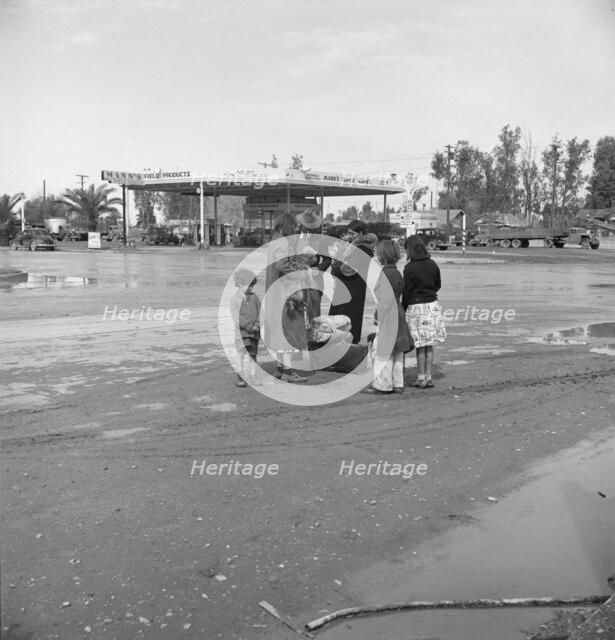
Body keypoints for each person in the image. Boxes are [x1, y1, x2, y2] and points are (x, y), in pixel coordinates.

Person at [264, 213, 310, 383]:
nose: (296, 231)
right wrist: (300, 273)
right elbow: (282, 264)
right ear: (287, 227)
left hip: (274, 293)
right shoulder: (282, 242)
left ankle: (280, 368)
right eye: (295, 228)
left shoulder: (274, 240)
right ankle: (288, 372)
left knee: (279, 333)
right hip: (285, 295)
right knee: (289, 332)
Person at [365, 239, 413, 394]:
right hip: (398, 312)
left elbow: (385, 299)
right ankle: (398, 383)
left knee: (383, 352)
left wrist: (378, 316)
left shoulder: (385, 273)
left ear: (382, 256)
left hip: (388, 313)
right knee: (398, 350)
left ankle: (383, 385)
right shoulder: (397, 272)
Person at [402, 235, 446, 388]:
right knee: (430, 345)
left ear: (410, 249)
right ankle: (428, 376)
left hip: (416, 307)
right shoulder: (433, 264)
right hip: (432, 306)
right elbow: (437, 284)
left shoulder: (409, 268)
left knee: (420, 345)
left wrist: (403, 307)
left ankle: (420, 377)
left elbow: (406, 292)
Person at [328, 220, 376, 344]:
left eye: (352, 233)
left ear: (360, 233)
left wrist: (336, 266)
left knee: (348, 324)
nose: (349, 235)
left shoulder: (362, 249)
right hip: (346, 289)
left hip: (351, 290)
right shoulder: (353, 246)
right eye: (348, 233)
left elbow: (347, 269)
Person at [230, 269, 262, 387]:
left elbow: (260, 312)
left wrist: (258, 325)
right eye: (249, 286)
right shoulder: (234, 299)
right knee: (240, 354)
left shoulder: (255, 298)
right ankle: (240, 376)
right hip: (241, 333)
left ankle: (253, 376)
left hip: (254, 333)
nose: (251, 288)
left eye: (252, 286)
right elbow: (236, 317)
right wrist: (249, 326)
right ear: (239, 284)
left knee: (253, 355)